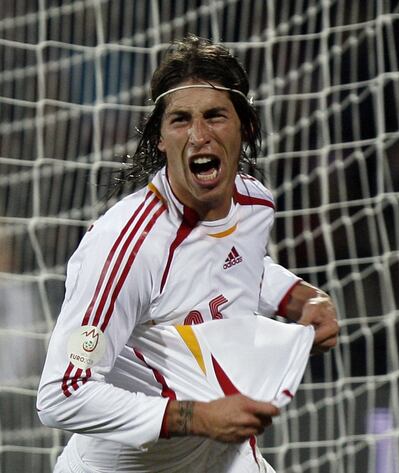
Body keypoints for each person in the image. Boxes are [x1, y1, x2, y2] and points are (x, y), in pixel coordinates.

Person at [37, 35, 339, 472]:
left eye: (215, 116)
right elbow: (60, 394)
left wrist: (301, 299)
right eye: (180, 120)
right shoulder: (128, 246)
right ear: (160, 138)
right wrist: (195, 416)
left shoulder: (254, 205)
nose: (199, 135)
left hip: (219, 455)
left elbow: (231, 263)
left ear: (245, 127)